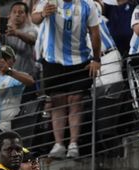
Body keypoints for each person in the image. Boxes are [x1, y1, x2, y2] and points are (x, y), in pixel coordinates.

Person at [32, 0, 102, 159]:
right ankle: (59, 145)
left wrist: (97, 59)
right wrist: (43, 14)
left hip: (80, 59)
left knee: (76, 99)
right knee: (58, 101)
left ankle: (73, 144)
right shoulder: (48, 1)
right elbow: (34, 18)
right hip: (53, 60)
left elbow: (95, 32)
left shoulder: (88, 4)